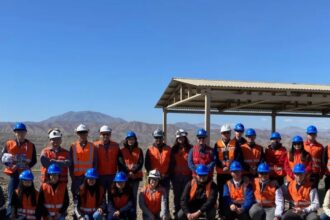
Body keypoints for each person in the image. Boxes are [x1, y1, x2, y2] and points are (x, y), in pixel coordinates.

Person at [1, 122, 37, 217]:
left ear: (25, 132)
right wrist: (9, 163)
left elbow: (34, 160)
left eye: (22, 131)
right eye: (18, 131)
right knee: (12, 196)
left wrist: (26, 164)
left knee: (28, 196)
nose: (20, 133)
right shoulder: (9, 144)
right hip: (14, 174)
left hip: (26, 176)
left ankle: (26, 215)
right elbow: (2, 158)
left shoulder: (31, 145)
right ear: (15, 133)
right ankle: (10, 215)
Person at [214, 124, 245, 218]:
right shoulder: (217, 144)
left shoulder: (235, 143)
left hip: (232, 174)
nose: (226, 134)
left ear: (230, 133)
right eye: (224, 133)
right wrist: (222, 166)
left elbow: (239, 157)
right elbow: (215, 158)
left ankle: (231, 212)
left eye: (228, 132)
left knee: (232, 193)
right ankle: (221, 213)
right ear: (221, 133)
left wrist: (230, 167)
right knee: (221, 193)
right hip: (221, 173)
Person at [145, 129, 171, 209]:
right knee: (153, 197)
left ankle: (165, 214)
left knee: (165, 197)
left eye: (160, 137)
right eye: (156, 138)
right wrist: (153, 175)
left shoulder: (169, 149)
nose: (158, 139)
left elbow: (172, 163)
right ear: (154, 138)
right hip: (154, 179)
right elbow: (147, 164)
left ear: (163, 138)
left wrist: (167, 174)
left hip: (165, 177)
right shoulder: (150, 150)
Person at [118, 131, 144, 211]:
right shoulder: (122, 151)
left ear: (135, 140)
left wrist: (133, 172)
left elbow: (140, 163)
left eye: (132, 139)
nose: (131, 141)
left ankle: (133, 215)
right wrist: (128, 172)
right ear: (126, 140)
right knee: (125, 196)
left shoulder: (139, 150)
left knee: (134, 196)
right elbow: (120, 163)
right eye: (129, 139)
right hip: (125, 178)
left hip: (136, 178)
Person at [169, 129, 192, 218]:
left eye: (182, 137)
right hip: (176, 177)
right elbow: (171, 163)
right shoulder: (173, 149)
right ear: (177, 138)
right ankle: (177, 215)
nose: (180, 139)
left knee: (186, 196)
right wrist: (171, 176)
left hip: (187, 176)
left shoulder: (190, 148)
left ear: (185, 138)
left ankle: (186, 214)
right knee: (177, 197)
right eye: (179, 137)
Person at [69, 124, 97, 197]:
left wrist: (93, 175)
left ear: (87, 133)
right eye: (80, 132)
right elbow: (70, 163)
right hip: (77, 176)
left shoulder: (92, 146)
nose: (82, 134)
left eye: (84, 132)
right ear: (77, 133)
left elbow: (95, 162)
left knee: (88, 194)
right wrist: (72, 175)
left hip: (89, 176)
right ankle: (76, 207)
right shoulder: (73, 146)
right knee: (76, 193)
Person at [94, 125, 120, 194]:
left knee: (112, 195)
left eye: (107, 134)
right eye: (103, 134)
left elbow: (119, 160)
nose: (105, 136)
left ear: (110, 134)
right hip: (100, 176)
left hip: (112, 175)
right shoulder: (95, 146)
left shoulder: (116, 145)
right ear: (100, 134)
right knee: (101, 195)